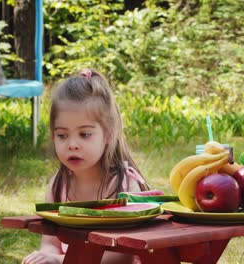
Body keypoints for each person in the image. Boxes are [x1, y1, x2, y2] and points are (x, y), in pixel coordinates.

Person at [22, 69, 150, 264]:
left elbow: (121, 256)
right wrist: (46, 256)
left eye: (84, 134)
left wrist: (61, 261)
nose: (72, 144)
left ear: (107, 135)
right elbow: (49, 243)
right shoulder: (58, 185)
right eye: (62, 135)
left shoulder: (123, 187)